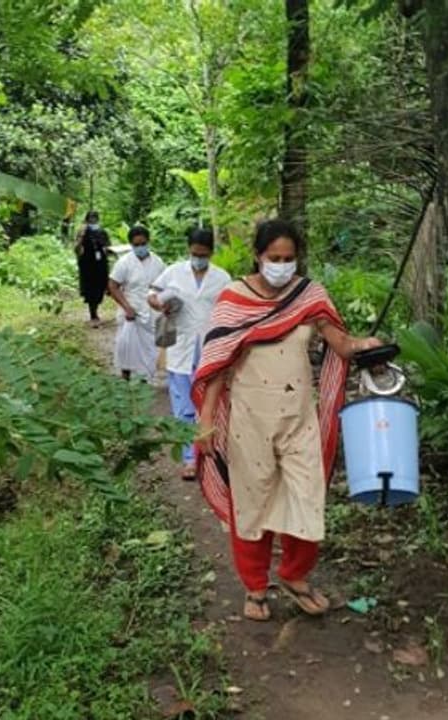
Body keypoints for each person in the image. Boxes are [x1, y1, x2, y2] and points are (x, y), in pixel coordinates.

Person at [192, 219, 384, 622]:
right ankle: (256, 588)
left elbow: (342, 345)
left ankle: (296, 577)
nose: (281, 265)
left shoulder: (309, 296)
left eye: (289, 259)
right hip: (248, 419)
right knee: (252, 501)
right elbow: (216, 367)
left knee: (306, 494)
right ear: (258, 257)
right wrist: (207, 421)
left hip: (298, 418)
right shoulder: (233, 299)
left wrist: (368, 346)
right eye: (273, 258)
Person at [148, 228, 231, 481]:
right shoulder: (174, 272)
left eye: (203, 255)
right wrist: (158, 302)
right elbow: (152, 293)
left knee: (211, 401)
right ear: (189, 250)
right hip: (180, 345)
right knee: (183, 404)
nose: (198, 259)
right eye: (195, 254)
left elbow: (229, 310)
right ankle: (189, 458)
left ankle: (214, 450)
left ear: (211, 253)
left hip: (210, 346)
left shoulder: (222, 278)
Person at [108, 225, 166, 381]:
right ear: (131, 245)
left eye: (143, 243)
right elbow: (113, 286)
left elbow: (163, 285)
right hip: (130, 309)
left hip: (151, 310)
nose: (140, 247)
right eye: (136, 245)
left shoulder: (157, 261)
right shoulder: (124, 262)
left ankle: (144, 378)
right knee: (126, 346)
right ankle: (125, 377)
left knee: (149, 348)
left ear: (148, 242)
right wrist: (126, 307)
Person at [74, 211, 110, 326]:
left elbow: (108, 246)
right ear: (87, 220)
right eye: (91, 219)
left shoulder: (102, 232)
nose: (93, 221)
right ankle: (93, 314)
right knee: (90, 289)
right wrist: (81, 238)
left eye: (95, 218)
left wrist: (106, 250)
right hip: (87, 265)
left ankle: (96, 308)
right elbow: (77, 249)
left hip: (100, 264)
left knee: (100, 287)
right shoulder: (83, 232)